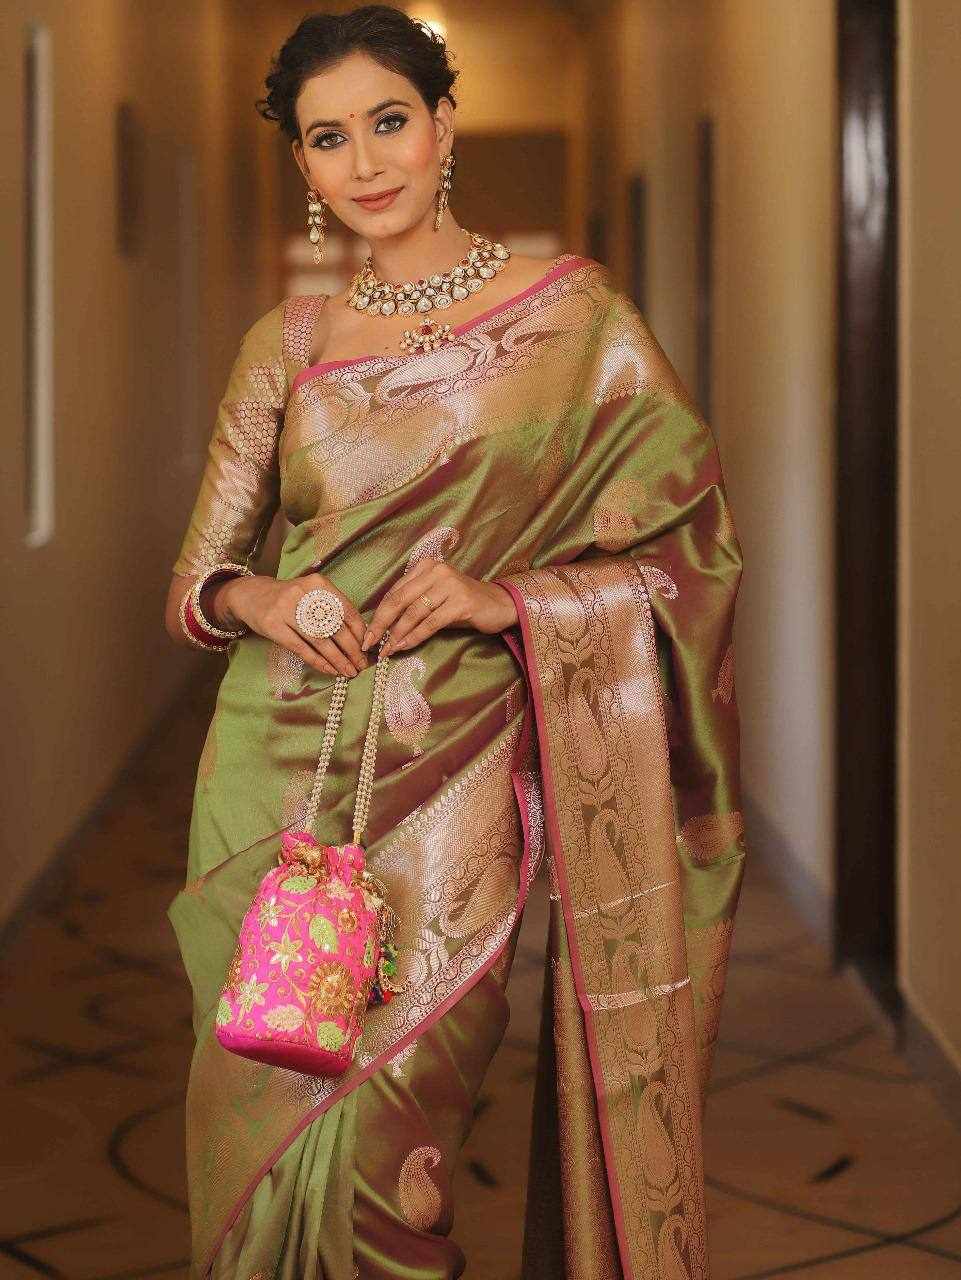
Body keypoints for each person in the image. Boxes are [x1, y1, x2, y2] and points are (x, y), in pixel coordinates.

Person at [164, 6, 747, 1277]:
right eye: (328, 138)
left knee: (397, 1148)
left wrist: (511, 598)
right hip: (276, 778)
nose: (365, 161)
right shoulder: (287, 345)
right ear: (302, 164)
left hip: (458, 769)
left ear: (442, 123)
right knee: (257, 1118)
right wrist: (263, 600)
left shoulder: (577, 321)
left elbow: (691, 547)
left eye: (389, 120)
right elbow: (197, 582)